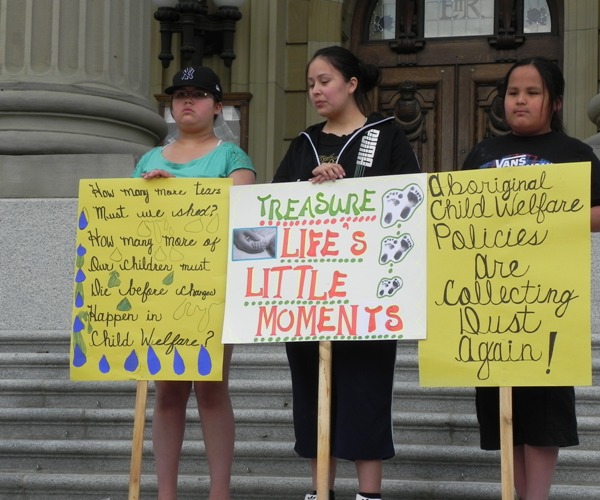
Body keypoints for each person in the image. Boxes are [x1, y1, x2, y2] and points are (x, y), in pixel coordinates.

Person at [462, 57, 600, 500]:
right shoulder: (480, 154)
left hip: (549, 301)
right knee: (504, 407)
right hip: (490, 300)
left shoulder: (575, 153)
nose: (520, 100)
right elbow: (454, 219)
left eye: (532, 93)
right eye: (513, 92)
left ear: (554, 102)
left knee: (544, 408)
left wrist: (551, 212)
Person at [273, 46, 420, 500]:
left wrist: (352, 188)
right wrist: (307, 187)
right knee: (314, 391)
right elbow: (271, 212)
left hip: (369, 295)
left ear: (352, 84)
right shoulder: (303, 144)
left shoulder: (387, 135)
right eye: (311, 83)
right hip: (309, 295)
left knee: (365, 391)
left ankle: (369, 493)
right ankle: (321, 490)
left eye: (325, 81)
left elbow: (410, 202)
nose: (316, 90)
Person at [132, 65, 255, 500]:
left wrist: (178, 195)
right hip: (158, 288)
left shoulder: (232, 158)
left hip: (212, 288)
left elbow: (244, 217)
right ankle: (166, 493)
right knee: (166, 392)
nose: (187, 100)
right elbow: (128, 228)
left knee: (210, 385)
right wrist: (149, 193)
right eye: (180, 93)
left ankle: (218, 493)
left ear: (218, 106)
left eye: (200, 94)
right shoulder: (148, 159)